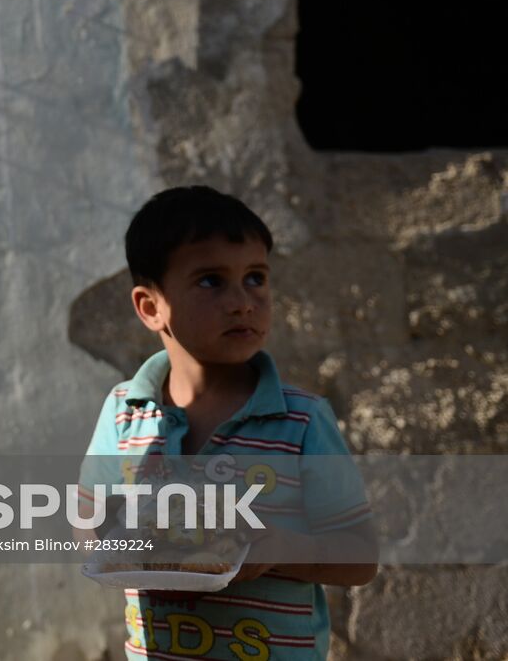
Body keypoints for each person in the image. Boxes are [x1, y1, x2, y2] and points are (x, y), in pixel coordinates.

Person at [83, 186, 377, 660]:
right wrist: (129, 533)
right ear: (151, 307)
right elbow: (87, 519)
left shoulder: (301, 419)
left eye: (256, 278)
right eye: (210, 281)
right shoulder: (125, 410)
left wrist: (279, 548)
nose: (242, 301)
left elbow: (360, 556)